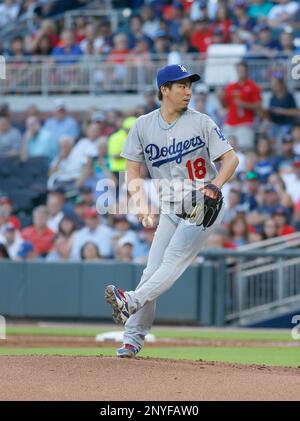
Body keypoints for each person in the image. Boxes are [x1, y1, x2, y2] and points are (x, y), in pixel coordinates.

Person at [104, 63, 239, 357]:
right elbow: (132, 169)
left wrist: (215, 185)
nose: (188, 91)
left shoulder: (201, 121)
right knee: (151, 271)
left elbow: (231, 159)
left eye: (189, 85)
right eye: (181, 85)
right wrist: (140, 204)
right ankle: (132, 340)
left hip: (203, 203)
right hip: (170, 207)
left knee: (172, 262)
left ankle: (130, 301)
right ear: (164, 90)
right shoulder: (143, 125)